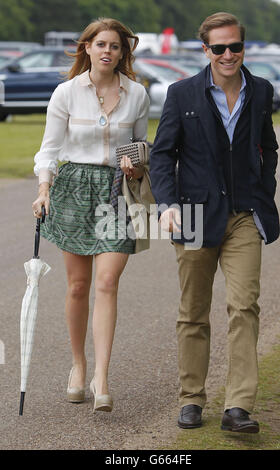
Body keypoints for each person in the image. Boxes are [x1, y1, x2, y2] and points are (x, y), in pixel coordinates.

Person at [150, 12, 279, 433]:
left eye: (235, 47)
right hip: (192, 215)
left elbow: (269, 148)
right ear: (205, 50)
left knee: (244, 306)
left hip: (243, 216)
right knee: (193, 312)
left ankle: (238, 406)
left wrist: (264, 194)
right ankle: (191, 398)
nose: (228, 54)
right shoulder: (182, 93)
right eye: (219, 48)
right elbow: (162, 154)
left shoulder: (260, 91)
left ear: (244, 48)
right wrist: (166, 203)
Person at [32, 18, 150, 413]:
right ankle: (78, 366)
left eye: (115, 46)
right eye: (101, 44)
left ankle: (102, 376)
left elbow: (140, 145)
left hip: (117, 190)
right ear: (86, 47)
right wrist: (43, 189)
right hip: (74, 188)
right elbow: (48, 150)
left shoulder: (137, 94)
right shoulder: (66, 93)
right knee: (79, 286)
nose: (107, 52)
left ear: (122, 53)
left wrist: (135, 164)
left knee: (107, 282)